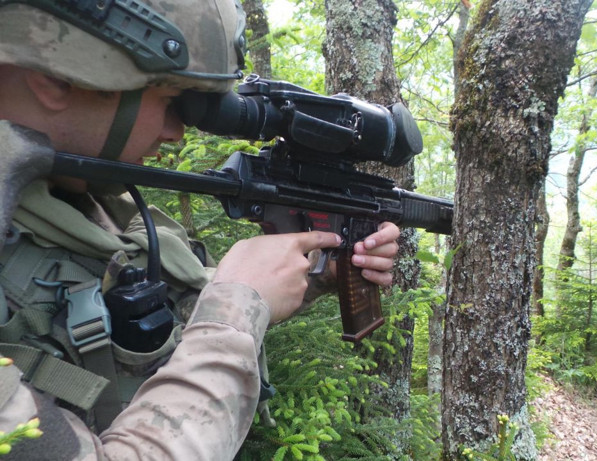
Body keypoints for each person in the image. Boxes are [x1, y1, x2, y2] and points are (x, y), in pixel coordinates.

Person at [0, 0, 400, 459]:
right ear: (58, 76)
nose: (178, 133)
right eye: (172, 101)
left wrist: (311, 276)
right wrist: (235, 309)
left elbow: (171, 323)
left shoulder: (83, 200)